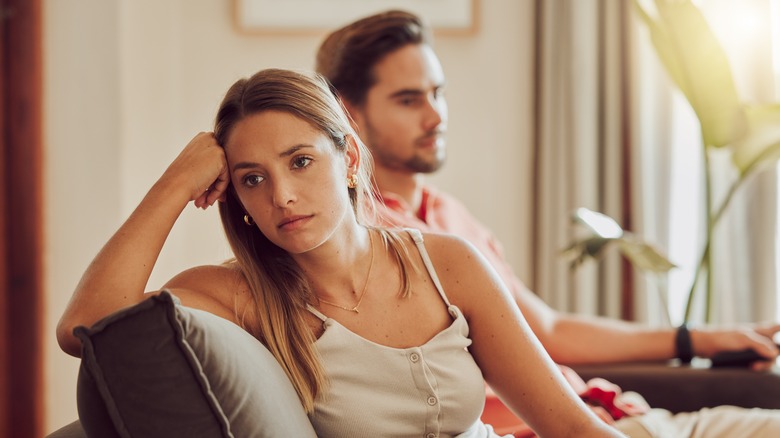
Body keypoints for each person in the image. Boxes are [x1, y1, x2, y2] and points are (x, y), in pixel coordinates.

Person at [56, 68, 623, 437]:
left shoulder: (447, 264)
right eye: (252, 178)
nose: (282, 195)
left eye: (300, 162)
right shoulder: (236, 296)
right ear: (235, 196)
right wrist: (175, 184)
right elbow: (84, 327)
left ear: (349, 159)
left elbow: (572, 426)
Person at [315, 9, 780, 437]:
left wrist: (695, 339)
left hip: (617, 414)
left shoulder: (447, 213)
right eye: (408, 100)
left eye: (438, 93)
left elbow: (547, 329)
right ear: (347, 113)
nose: (436, 115)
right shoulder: (363, 243)